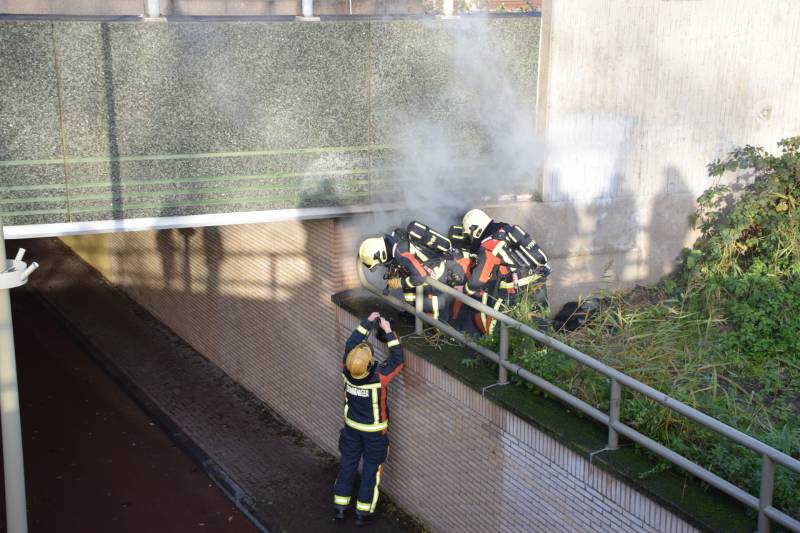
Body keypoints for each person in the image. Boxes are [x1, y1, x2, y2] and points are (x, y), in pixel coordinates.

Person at [333, 312, 404, 526]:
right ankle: (363, 513)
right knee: (371, 471)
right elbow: (398, 360)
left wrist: (368, 321)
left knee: (348, 465)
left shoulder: (346, 369)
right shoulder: (378, 377)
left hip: (351, 429)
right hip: (374, 434)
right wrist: (388, 331)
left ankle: (340, 507)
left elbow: (351, 343)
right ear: (369, 364)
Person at [461, 209, 551, 334]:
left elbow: (478, 281)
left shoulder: (489, 245)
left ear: (475, 230)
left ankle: (501, 346)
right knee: (539, 323)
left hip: (516, 291)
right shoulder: (508, 229)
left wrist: (465, 290)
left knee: (504, 328)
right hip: (537, 282)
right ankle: (543, 346)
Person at [358, 231, 448, 321]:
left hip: (435, 277)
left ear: (382, 255)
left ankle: (436, 324)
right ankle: (411, 311)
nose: (382, 265)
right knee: (407, 281)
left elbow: (420, 278)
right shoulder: (395, 244)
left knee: (430, 306)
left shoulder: (401, 253)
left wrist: (400, 283)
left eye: (379, 263)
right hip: (423, 271)